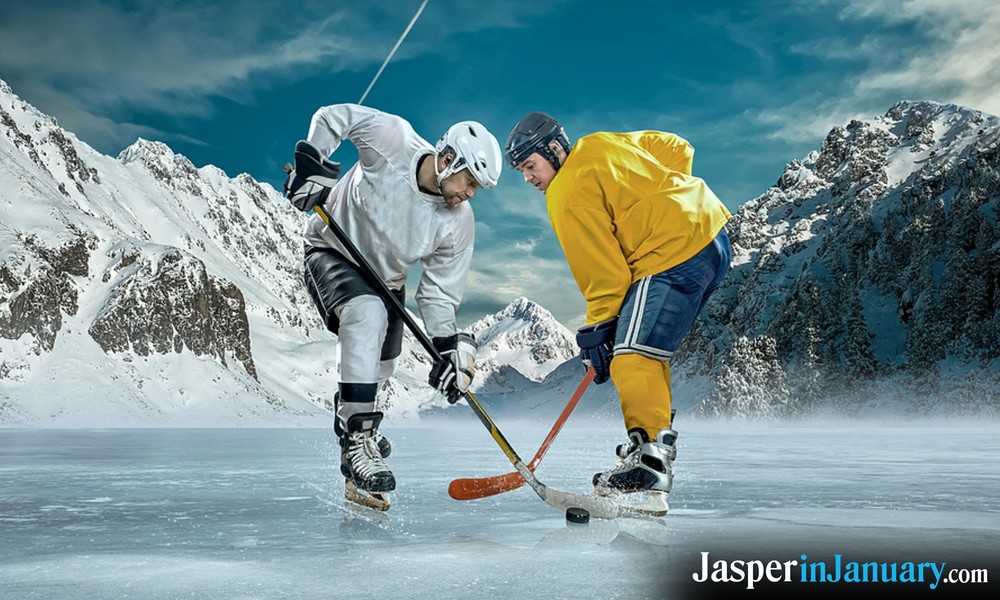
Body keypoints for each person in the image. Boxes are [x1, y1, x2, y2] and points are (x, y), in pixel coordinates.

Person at [504, 112, 731, 504]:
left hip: (669, 254)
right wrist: (671, 195)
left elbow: (604, 276)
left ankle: (650, 465)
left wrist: (597, 331)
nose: (528, 178)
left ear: (554, 150)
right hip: (713, 236)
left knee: (630, 356)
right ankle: (654, 449)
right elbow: (678, 148)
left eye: (530, 165)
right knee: (649, 351)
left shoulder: (565, 192)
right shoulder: (601, 142)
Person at [284, 103, 502, 501]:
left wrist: (447, 344)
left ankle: (355, 441)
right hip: (333, 249)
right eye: (470, 182)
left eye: (477, 189)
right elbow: (334, 117)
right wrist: (312, 163)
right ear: (448, 159)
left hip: (387, 280)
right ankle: (358, 439)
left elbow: (437, 292)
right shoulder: (393, 137)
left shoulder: (459, 221)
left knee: (381, 365)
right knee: (365, 315)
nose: (471, 194)